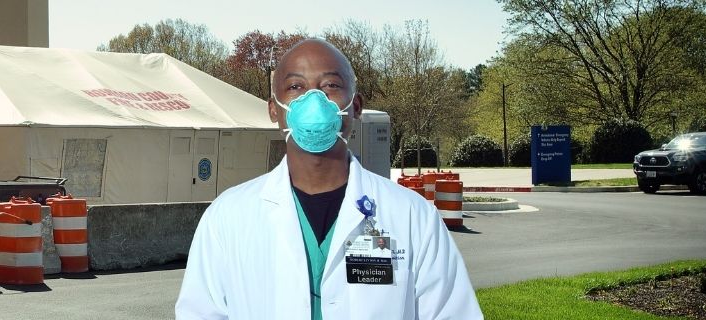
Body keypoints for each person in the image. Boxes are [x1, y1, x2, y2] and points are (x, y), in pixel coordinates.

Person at [175, 39, 481, 319]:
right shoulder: (227, 217)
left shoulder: (413, 216)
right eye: (295, 87)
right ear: (273, 109)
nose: (314, 100)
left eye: (330, 85)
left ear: (356, 107)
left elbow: (452, 312)